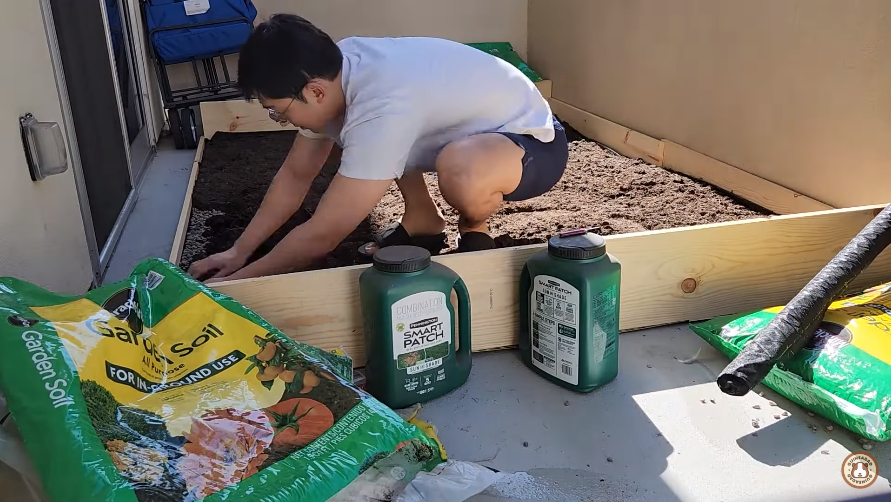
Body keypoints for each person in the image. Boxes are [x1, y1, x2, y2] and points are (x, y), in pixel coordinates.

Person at [188, 14, 569, 283]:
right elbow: (294, 176)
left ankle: (474, 227)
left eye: (280, 113)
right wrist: (239, 252)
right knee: (375, 145)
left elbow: (324, 234)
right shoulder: (337, 71)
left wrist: (237, 284)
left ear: (314, 91)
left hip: (533, 144)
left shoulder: (382, 103)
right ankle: (423, 221)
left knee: (454, 165)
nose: (283, 122)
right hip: (467, 132)